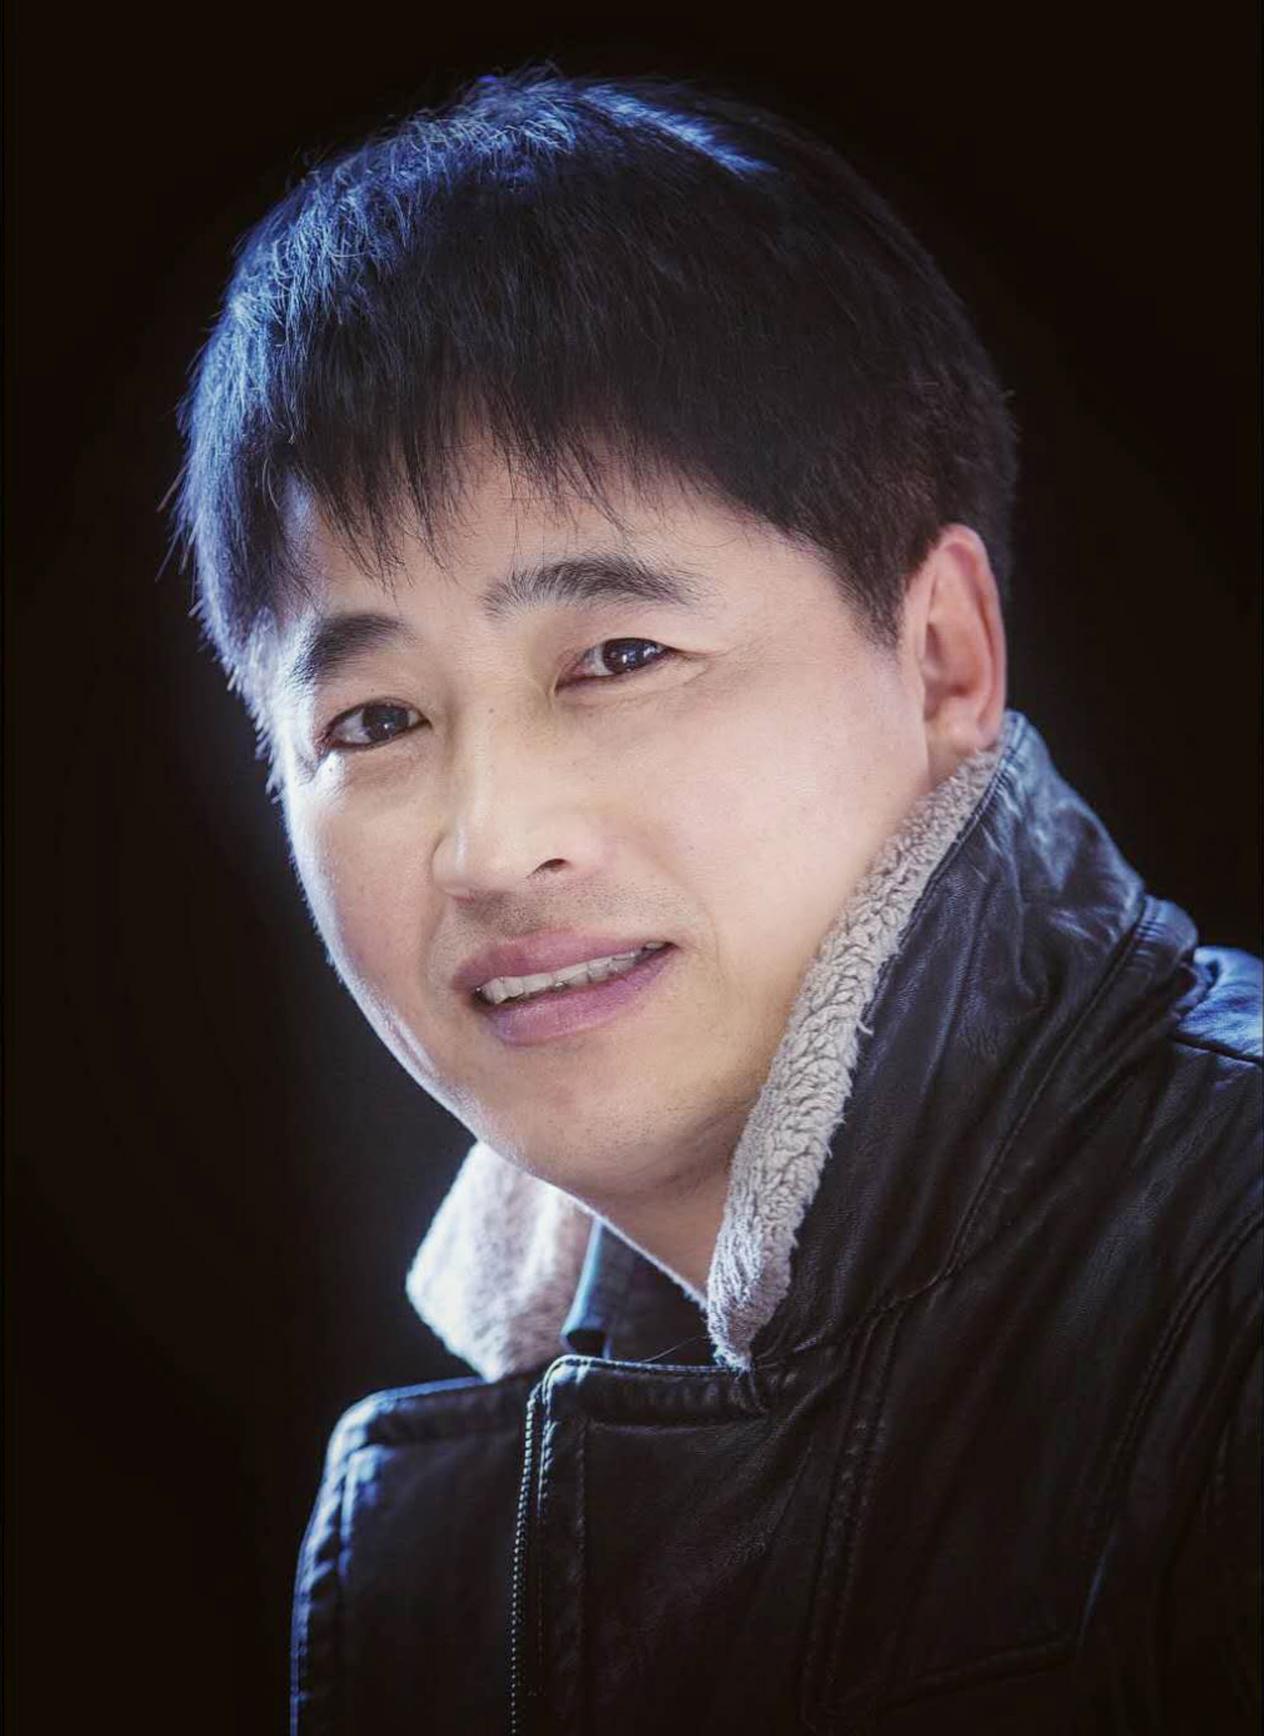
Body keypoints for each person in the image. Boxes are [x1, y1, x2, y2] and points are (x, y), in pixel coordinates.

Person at [175, 68, 1261, 1734]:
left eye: (618, 656)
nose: (491, 846)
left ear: (943, 656)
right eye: (374, 722)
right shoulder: (420, 1556)